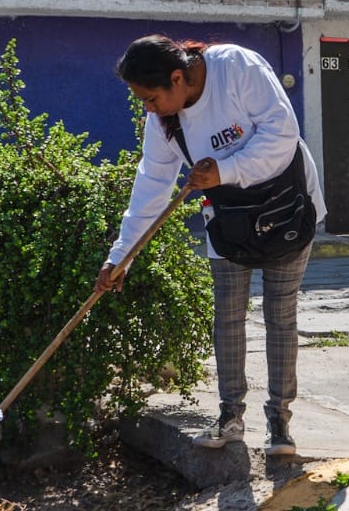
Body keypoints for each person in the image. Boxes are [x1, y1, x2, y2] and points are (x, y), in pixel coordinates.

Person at [93, 35, 326, 458]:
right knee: (228, 317)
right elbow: (152, 183)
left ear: (178, 77)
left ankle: (280, 420)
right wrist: (121, 256)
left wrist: (225, 169)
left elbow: (282, 134)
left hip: (286, 208)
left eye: (150, 97)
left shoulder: (236, 67)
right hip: (229, 220)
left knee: (280, 315)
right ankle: (231, 416)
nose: (148, 107)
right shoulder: (165, 120)